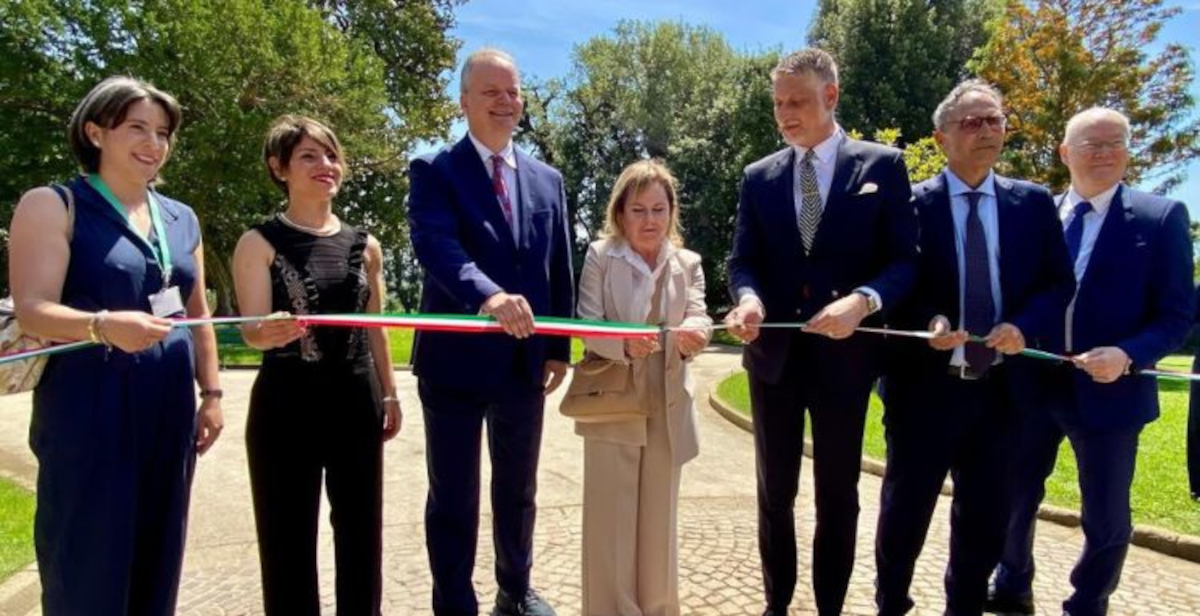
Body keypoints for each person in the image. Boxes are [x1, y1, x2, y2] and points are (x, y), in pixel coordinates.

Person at [7, 76, 222, 615]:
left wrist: (212, 393)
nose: (154, 144)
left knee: (158, 560)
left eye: (164, 132)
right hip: (88, 411)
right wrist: (102, 326)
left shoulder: (181, 218)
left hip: (168, 410)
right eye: (137, 129)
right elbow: (33, 307)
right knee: (88, 566)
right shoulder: (54, 205)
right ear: (95, 132)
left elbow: (197, 316)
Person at [724, 48, 919, 616]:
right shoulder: (758, 177)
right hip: (773, 360)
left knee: (839, 495)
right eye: (778, 103)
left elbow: (905, 261)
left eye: (798, 102)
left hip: (847, 361)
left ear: (830, 97)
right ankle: (776, 605)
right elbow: (743, 261)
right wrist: (749, 298)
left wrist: (863, 302)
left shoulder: (882, 166)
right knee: (774, 493)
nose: (785, 114)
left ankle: (830, 608)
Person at [873, 80, 1075, 616]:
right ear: (941, 138)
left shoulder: (1031, 203)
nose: (987, 130)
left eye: (995, 120)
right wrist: (927, 323)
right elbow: (891, 283)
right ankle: (891, 602)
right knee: (904, 513)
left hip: (1005, 397)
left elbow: (1058, 283)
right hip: (924, 392)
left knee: (985, 520)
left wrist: (1023, 327)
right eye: (972, 122)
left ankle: (962, 607)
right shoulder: (910, 205)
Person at [987, 107, 1194, 616]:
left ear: (1128, 151)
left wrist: (1127, 354)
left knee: (1104, 512)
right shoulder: (1037, 215)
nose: (1103, 153)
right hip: (1032, 383)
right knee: (1013, 493)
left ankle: (1088, 600)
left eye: (1114, 143)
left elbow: (1178, 314)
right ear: (1065, 153)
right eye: (1091, 144)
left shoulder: (1160, 217)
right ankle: (1012, 582)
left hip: (1110, 390)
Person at [407, 48, 574, 616]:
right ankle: (454, 601)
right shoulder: (436, 171)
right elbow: (437, 246)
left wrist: (558, 347)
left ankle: (515, 590)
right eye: (491, 92)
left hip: (523, 366)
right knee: (454, 496)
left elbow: (558, 266)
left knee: (518, 492)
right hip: (454, 365)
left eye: (513, 92)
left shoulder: (548, 180)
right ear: (464, 102)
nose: (506, 103)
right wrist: (489, 294)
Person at [231, 115, 401, 616]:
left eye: (331, 155)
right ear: (278, 168)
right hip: (286, 405)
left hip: (356, 400)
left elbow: (376, 325)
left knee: (361, 536)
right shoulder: (258, 243)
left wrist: (389, 393)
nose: (326, 165)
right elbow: (251, 329)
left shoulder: (365, 246)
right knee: (286, 540)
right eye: (309, 156)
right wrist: (269, 329)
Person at [574, 160, 711, 616]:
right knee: (610, 524)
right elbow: (587, 325)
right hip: (613, 398)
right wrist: (622, 343)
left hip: (669, 399)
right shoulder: (599, 255)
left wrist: (698, 333)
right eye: (638, 210)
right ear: (620, 213)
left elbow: (699, 314)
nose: (650, 220)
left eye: (659, 209)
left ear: (672, 212)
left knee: (658, 524)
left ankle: (659, 609)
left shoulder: (688, 262)